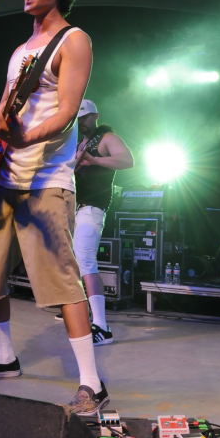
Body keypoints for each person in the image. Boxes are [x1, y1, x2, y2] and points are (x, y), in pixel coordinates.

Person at [0, 0, 108, 415]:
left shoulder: (74, 39)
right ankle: (5, 357)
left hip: (46, 181)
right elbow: (5, 107)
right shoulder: (20, 50)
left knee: (62, 284)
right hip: (2, 180)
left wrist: (26, 137)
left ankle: (92, 384)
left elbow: (66, 111)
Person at [69, 99, 134, 344]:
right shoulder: (80, 142)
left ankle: (102, 327)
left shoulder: (107, 138)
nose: (80, 123)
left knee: (86, 261)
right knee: (74, 263)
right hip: (75, 209)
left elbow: (127, 160)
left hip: (92, 208)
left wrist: (95, 161)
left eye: (84, 118)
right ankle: (80, 311)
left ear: (95, 116)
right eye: (77, 120)